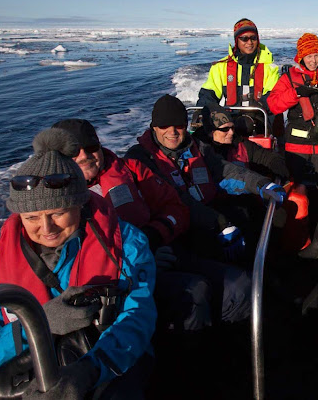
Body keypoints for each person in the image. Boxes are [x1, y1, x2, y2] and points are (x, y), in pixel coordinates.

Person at [0, 128, 156, 398]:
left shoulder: (126, 243)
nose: (46, 227)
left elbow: (138, 318)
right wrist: (38, 325)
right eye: (32, 218)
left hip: (107, 370)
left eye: (58, 213)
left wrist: (90, 371)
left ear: (80, 204)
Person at [52, 118, 212, 333]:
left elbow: (176, 208)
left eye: (90, 147)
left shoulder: (132, 170)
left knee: (227, 288)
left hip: (155, 263)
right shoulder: (48, 204)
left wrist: (152, 237)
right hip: (96, 291)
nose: (84, 156)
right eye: (74, 151)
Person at [125, 94, 286, 264]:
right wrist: (220, 223)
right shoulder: (140, 159)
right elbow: (175, 198)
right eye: (165, 125)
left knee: (249, 223)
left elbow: (225, 171)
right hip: (176, 233)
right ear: (154, 127)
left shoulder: (196, 146)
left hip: (207, 219)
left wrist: (261, 184)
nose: (172, 132)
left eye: (179, 126)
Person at [265, 33, 318, 182]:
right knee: (297, 188)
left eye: (316, 55)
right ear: (301, 57)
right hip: (296, 148)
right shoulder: (289, 79)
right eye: (309, 56)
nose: (313, 60)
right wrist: (296, 93)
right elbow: (273, 105)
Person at [196, 18, 280, 122]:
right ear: (237, 40)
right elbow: (209, 94)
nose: (249, 42)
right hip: (230, 121)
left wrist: (259, 106)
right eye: (244, 38)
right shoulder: (220, 67)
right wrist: (201, 113)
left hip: (260, 119)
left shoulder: (269, 68)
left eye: (253, 38)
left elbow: (274, 94)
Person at [204, 110, 289, 180]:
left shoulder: (241, 145)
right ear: (211, 132)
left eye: (232, 128)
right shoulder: (200, 151)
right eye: (225, 129)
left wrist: (279, 169)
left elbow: (269, 157)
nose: (231, 132)